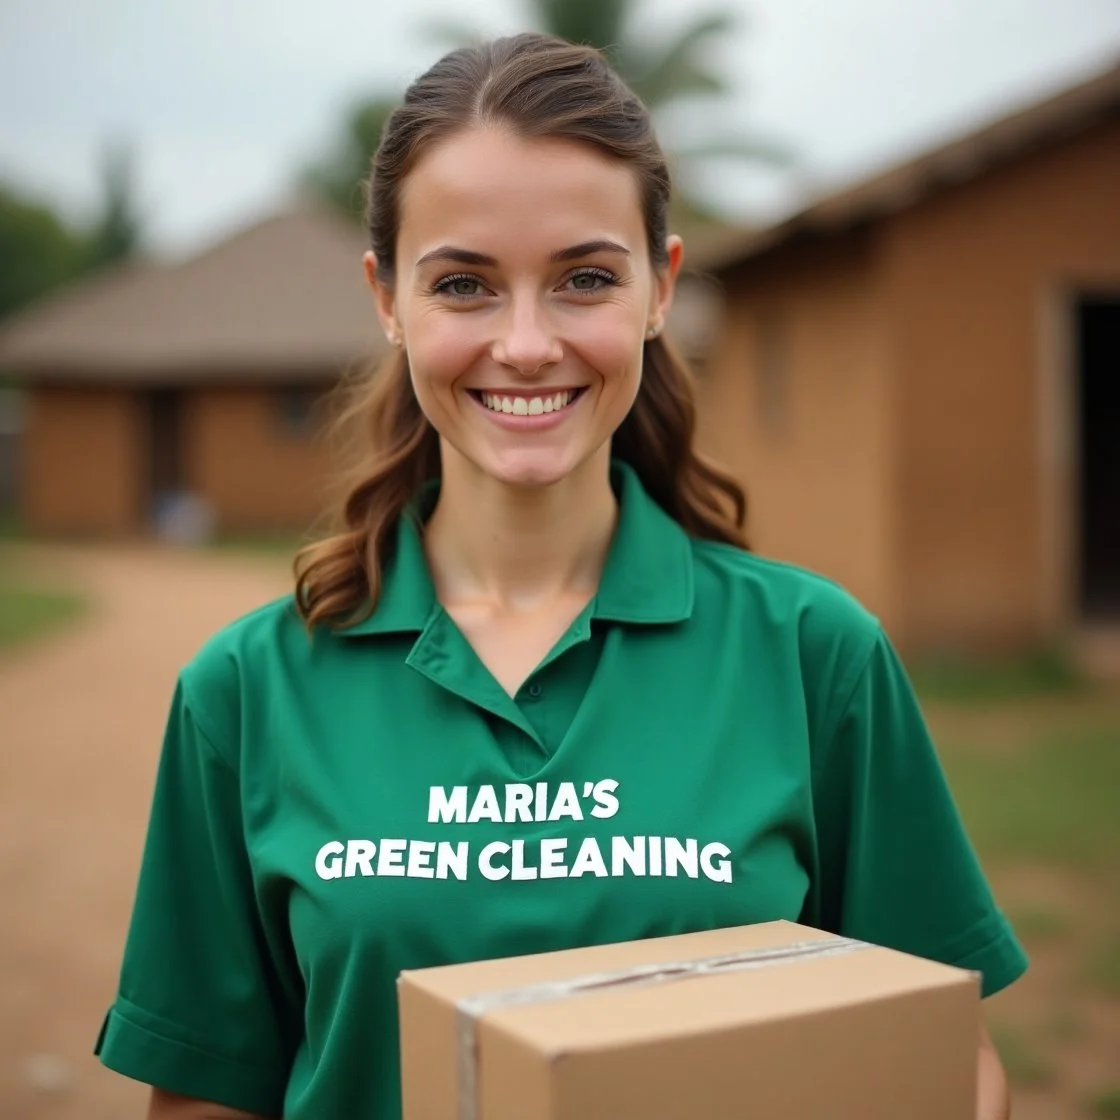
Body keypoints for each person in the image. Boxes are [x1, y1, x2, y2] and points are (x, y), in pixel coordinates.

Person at [95, 32, 1026, 1120]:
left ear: (660, 287)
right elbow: (206, 1098)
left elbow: (951, 1062)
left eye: (584, 278)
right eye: (464, 285)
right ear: (388, 297)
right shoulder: (247, 688)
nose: (527, 343)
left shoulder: (816, 655)